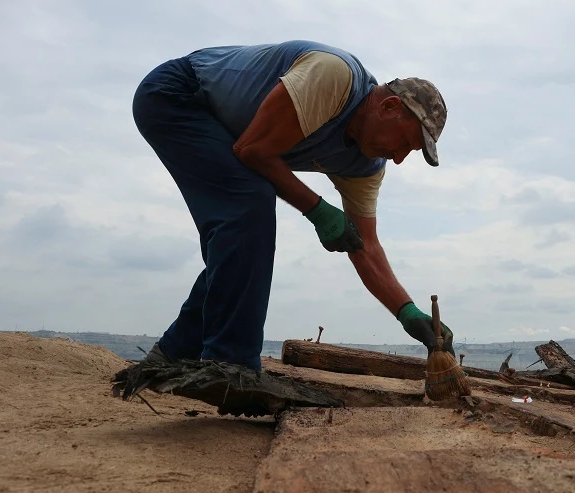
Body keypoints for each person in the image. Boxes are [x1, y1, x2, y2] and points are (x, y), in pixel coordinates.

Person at [131, 40, 453, 371]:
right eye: (403, 142)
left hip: (225, 131)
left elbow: (364, 243)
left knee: (240, 231)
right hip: (179, 95)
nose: (399, 158)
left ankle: (174, 354)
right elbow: (252, 150)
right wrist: (317, 209)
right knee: (250, 203)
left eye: (409, 152)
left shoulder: (365, 164)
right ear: (388, 107)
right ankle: (231, 365)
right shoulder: (334, 77)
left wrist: (407, 312)